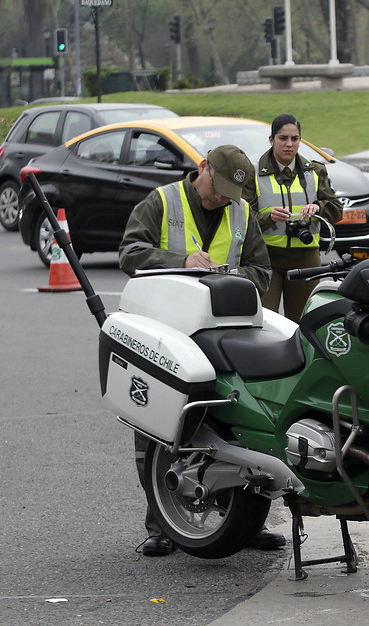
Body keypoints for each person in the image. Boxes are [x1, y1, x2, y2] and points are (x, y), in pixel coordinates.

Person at [119, 145, 282, 557]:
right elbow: (130, 254)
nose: (221, 199)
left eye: (230, 195)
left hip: (223, 338)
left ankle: (240, 522)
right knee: (162, 429)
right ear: (202, 168)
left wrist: (225, 276)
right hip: (166, 331)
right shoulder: (162, 202)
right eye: (217, 189)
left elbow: (261, 271)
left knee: (233, 427)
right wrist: (181, 262)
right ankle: (161, 524)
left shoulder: (242, 212)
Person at [255, 113, 343, 322]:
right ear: (271, 140)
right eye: (283, 138)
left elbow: (336, 210)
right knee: (266, 321)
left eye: (295, 139)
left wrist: (318, 208)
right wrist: (269, 217)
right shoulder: (254, 172)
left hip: (306, 256)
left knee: (304, 321)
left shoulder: (315, 171)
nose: (289, 144)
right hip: (267, 257)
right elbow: (241, 216)